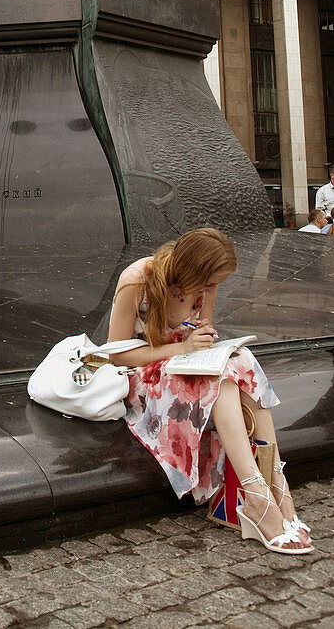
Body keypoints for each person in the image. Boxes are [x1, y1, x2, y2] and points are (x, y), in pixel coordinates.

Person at [107, 227, 312, 554]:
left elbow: (201, 328)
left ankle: (276, 487)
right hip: (146, 372)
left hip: (185, 362)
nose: (212, 290)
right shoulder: (137, 280)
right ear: (192, 271)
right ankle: (259, 498)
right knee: (220, 379)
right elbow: (116, 353)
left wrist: (203, 336)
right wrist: (184, 348)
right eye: (210, 282)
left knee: (240, 359)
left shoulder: (203, 287)